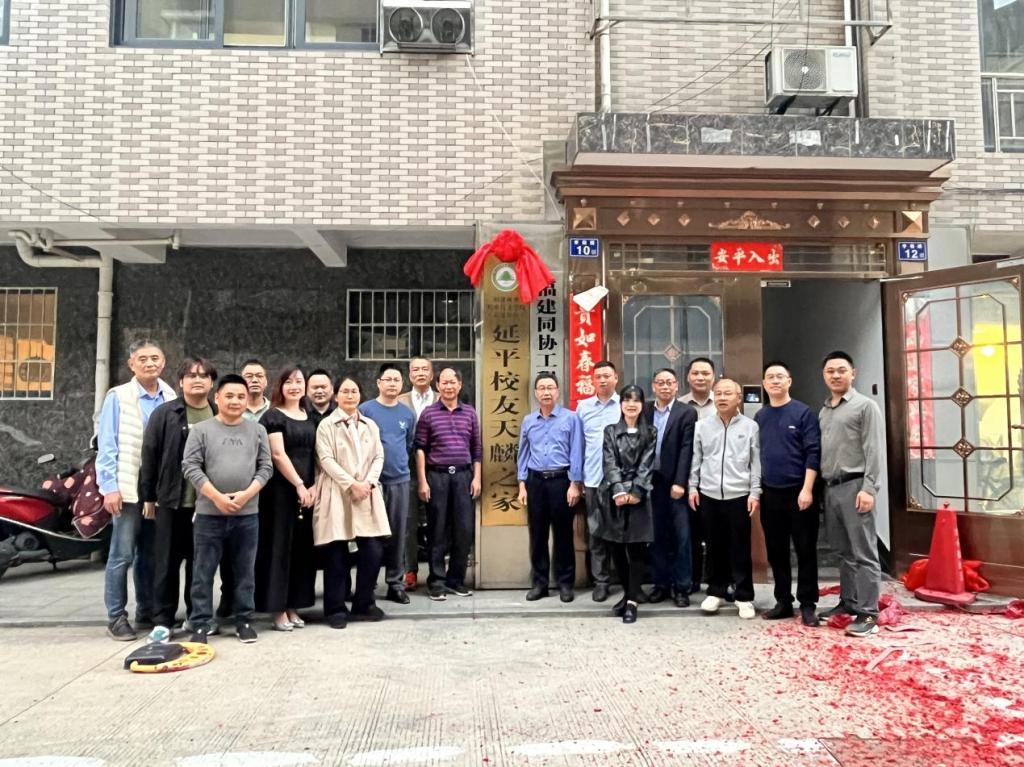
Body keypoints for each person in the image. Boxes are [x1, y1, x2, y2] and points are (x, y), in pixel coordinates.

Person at [182, 374, 273, 644]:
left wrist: (246, 495)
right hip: (209, 514)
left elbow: (266, 467)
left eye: (241, 396)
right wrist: (216, 497)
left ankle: (243, 620)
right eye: (229, 396)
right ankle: (201, 623)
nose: (235, 401)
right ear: (217, 397)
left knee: (245, 572)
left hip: (247, 514)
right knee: (203, 573)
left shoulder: (257, 430)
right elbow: (190, 466)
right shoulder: (201, 430)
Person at [98, 339, 177, 641]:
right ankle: (116, 617)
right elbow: (107, 444)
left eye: (154, 358)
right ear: (131, 364)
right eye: (142, 359)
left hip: (157, 489)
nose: (149, 363)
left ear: (163, 362)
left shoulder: (171, 396)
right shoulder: (118, 397)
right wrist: (109, 487)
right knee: (122, 554)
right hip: (127, 486)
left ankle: (147, 610)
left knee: (151, 554)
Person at [139, 356, 217, 632]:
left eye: (204, 375)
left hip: (207, 506)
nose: (197, 380)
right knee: (166, 564)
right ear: (181, 382)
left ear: (212, 383)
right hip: (171, 501)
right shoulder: (165, 414)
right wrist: (148, 496)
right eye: (191, 375)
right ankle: (162, 619)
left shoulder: (218, 413)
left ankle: (197, 617)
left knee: (200, 566)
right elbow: (150, 455)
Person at [315, 376, 390, 628]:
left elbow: (379, 456)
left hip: (367, 492)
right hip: (338, 492)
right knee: (336, 552)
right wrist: (351, 484)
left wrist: (368, 482)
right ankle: (335, 608)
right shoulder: (326, 425)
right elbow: (325, 459)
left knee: (373, 549)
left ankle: (364, 603)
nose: (350, 395)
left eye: (354, 391)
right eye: (345, 391)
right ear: (336, 396)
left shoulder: (370, 424)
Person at [818, 351, 884, 638]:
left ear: (852, 373)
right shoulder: (825, 410)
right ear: (824, 375)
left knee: (864, 553)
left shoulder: (865, 406)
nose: (835, 375)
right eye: (830, 371)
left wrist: (869, 488)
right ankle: (849, 602)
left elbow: (874, 449)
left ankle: (868, 614)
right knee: (843, 552)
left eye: (841, 370)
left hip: (856, 487)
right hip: (831, 488)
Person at [756, 361, 822, 627]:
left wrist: (807, 489)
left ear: (789, 381)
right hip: (770, 493)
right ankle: (783, 601)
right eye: (770, 377)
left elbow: (813, 453)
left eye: (780, 376)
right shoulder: (760, 416)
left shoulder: (804, 413)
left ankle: (808, 604)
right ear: (764, 383)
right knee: (776, 551)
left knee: (805, 550)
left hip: (800, 492)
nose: (775, 381)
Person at [688, 379, 761, 620]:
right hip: (708, 493)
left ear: (738, 397)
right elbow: (696, 458)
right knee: (713, 545)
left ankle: (744, 596)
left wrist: (754, 492)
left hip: (739, 495)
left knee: (740, 547)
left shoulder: (750, 426)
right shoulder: (702, 426)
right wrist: (692, 487)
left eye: (727, 393)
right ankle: (716, 591)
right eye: (718, 393)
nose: (722, 398)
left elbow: (755, 462)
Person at [255, 366, 318, 632]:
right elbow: (278, 454)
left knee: (301, 550)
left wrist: (314, 486)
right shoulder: (273, 416)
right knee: (278, 548)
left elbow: (318, 453)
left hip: (308, 492)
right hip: (280, 492)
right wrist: (299, 485)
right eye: (289, 382)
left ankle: (294, 605)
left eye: (299, 381)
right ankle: (278, 608)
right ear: (280, 386)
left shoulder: (311, 416)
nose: (294, 386)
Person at [414, 367, 481, 602]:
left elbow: (476, 448)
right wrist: (423, 481)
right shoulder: (429, 414)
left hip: (463, 476)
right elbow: (420, 449)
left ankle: (456, 580)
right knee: (438, 530)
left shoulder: (470, 413)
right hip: (437, 477)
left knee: (464, 530)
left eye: (453, 382)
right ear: (437, 386)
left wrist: (477, 477)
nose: (449, 386)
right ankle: (437, 582)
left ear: (460, 385)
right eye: (444, 382)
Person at [516, 373, 584, 603]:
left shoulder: (571, 418)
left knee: (563, 535)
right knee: (537, 535)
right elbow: (523, 454)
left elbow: (576, 451)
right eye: (542, 388)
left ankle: (565, 584)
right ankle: (540, 584)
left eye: (550, 388)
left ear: (558, 391)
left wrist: (575, 483)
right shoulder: (528, 421)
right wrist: (522, 485)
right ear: (536, 393)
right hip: (535, 482)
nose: (546, 392)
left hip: (561, 481)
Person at [596, 385, 656, 624]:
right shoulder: (610, 431)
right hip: (614, 496)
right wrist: (619, 490)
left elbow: (647, 464)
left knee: (637, 548)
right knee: (616, 548)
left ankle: (632, 601)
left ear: (642, 405)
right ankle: (627, 593)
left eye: (636, 400)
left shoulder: (650, 432)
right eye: (627, 400)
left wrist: (636, 490)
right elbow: (609, 462)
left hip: (639, 496)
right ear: (621, 404)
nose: (631, 405)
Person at [360, 363, 416, 605]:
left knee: (398, 533)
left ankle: (395, 583)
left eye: (397, 380)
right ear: (378, 383)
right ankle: (367, 584)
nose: (392, 384)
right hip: (371, 483)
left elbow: (409, 445)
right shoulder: (366, 410)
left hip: (399, 480)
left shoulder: (407, 414)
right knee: (370, 534)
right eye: (388, 379)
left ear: (402, 384)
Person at [643, 368, 696, 608]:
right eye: (660, 383)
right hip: (650, 482)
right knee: (656, 536)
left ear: (677, 386)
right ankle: (661, 584)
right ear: (653, 386)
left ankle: (681, 587)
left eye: (669, 383)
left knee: (681, 537)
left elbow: (687, 448)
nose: (665, 387)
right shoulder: (645, 410)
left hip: (675, 483)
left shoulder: (687, 412)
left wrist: (680, 482)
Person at [575, 361, 622, 602]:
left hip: (620, 483)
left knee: (622, 532)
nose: (602, 380)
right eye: (598, 377)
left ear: (616, 378)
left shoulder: (625, 405)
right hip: (593, 480)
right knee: (596, 534)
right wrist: (577, 479)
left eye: (607, 376)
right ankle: (601, 581)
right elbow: (578, 445)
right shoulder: (583, 407)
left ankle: (625, 579)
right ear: (592, 380)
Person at [398, 356, 436, 592]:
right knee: (407, 521)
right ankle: (409, 569)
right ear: (409, 375)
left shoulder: (442, 398)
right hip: (407, 469)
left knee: (438, 522)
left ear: (432, 375)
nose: (420, 373)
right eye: (415, 369)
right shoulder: (399, 401)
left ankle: (436, 571)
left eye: (425, 369)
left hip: (437, 467)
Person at [680, 357, 716, 595]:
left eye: (705, 373)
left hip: (715, 479)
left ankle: (716, 580)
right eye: (695, 373)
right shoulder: (680, 405)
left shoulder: (723, 403)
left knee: (715, 533)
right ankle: (692, 578)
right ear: (688, 377)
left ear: (714, 376)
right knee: (690, 533)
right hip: (686, 479)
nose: (700, 377)